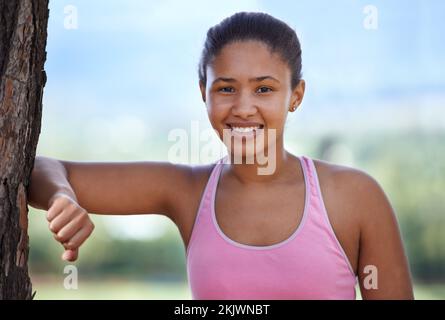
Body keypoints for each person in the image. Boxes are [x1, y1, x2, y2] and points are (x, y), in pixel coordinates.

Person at [28, 11, 414, 299]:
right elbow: (38, 169)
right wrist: (62, 195)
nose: (244, 108)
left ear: (295, 96)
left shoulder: (355, 196)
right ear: (204, 93)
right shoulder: (186, 191)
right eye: (226, 89)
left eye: (264, 89)